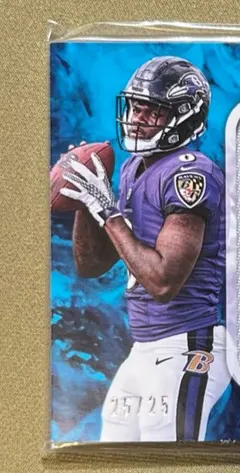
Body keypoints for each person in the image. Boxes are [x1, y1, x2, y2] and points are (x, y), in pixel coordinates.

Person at [61, 56, 230, 442]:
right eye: (136, 107)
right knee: (114, 453)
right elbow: (91, 265)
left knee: (168, 456)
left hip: (188, 342)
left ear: (184, 116)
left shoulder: (191, 172)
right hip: (144, 346)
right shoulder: (132, 168)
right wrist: (85, 202)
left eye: (152, 111)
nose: (137, 118)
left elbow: (163, 282)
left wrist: (107, 211)